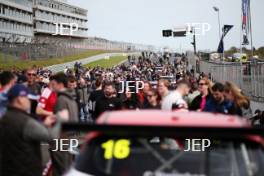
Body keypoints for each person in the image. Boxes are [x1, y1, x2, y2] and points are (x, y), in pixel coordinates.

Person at [0, 84, 66, 176]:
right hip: (26, 170)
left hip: (8, 169)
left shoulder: (5, 118)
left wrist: (42, 125)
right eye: (28, 99)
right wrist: (61, 120)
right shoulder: (25, 121)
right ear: (19, 99)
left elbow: (22, 134)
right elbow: (51, 136)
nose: (30, 102)